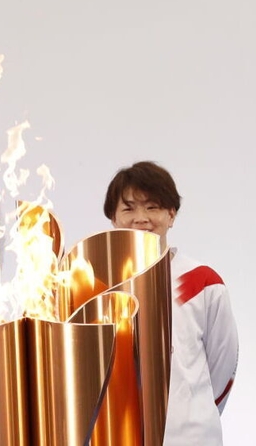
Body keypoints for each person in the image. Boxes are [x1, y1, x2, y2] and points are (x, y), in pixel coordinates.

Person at [103, 160, 239, 445]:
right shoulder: (93, 288)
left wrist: (192, 410)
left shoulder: (201, 282)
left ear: (171, 215)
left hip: (189, 437)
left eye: (152, 207)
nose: (141, 218)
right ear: (114, 219)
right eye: (128, 208)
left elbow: (222, 366)